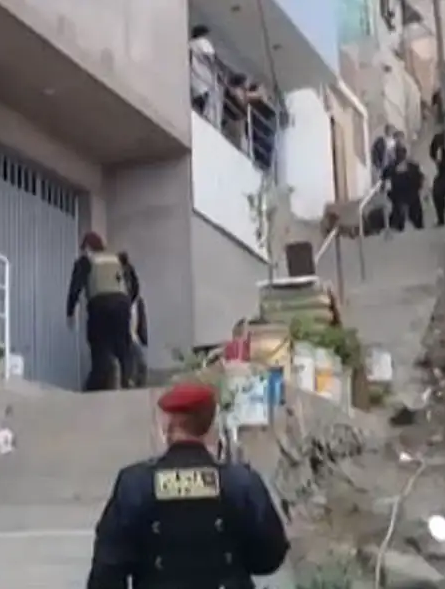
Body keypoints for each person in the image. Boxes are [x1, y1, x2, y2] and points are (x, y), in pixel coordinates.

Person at [86, 381, 290, 589]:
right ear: (211, 427)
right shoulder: (241, 482)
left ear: (166, 428)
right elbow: (270, 556)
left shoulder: (135, 483)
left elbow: (107, 569)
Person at [67, 232, 133, 392]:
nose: (82, 252)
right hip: (122, 303)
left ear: (88, 247)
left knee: (99, 345)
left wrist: (70, 312)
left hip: (100, 304)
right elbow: (134, 283)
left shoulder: (86, 260)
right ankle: (126, 381)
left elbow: (75, 287)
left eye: (83, 248)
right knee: (122, 346)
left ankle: (95, 386)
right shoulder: (118, 259)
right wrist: (128, 301)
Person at [120, 252, 148, 388]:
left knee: (140, 366)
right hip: (126, 337)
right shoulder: (120, 297)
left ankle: (131, 385)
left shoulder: (137, 301)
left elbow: (141, 320)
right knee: (136, 365)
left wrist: (142, 337)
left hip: (132, 336)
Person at [381, 143, 425, 231]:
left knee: (414, 214)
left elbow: (420, 179)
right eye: (398, 152)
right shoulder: (391, 168)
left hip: (410, 195)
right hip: (399, 195)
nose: (400, 155)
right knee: (400, 213)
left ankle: (414, 225)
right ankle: (400, 225)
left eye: (401, 152)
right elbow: (384, 180)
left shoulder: (412, 166)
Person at [189, 26, 217, 117]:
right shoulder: (203, 42)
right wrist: (215, 71)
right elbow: (210, 58)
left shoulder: (190, 43)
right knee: (202, 101)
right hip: (203, 77)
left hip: (192, 75)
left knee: (194, 99)